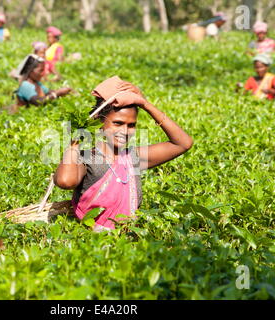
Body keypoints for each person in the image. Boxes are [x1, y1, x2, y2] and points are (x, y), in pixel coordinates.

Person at [53, 76, 193, 232]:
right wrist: (75, 139)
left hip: (129, 239)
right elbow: (65, 181)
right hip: (92, 242)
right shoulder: (87, 158)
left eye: (131, 125)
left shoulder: (133, 157)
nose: (125, 132)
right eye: (118, 123)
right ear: (100, 121)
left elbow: (183, 143)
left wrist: (146, 104)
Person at [7, 54, 72, 113]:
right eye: (40, 70)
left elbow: (48, 92)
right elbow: (38, 102)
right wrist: (57, 94)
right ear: (30, 71)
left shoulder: (37, 83)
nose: (43, 73)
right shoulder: (25, 85)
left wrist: (65, 91)